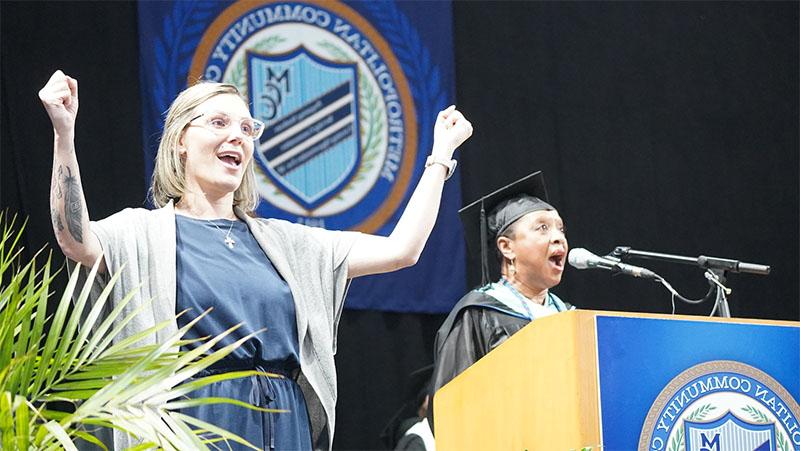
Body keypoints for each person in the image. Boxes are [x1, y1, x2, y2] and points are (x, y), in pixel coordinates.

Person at [39, 69, 472, 450]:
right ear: (181, 142)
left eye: (247, 128)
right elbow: (75, 238)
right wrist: (64, 132)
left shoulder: (285, 244)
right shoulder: (143, 233)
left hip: (284, 421)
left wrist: (440, 157)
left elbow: (402, 249)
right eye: (220, 123)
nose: (238, 137)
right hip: (197, 419)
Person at [428, 171, 574, 434]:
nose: (558, 237)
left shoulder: (571, 319)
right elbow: (451, 409)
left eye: (560, 228)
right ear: (507, 247)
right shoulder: (479, 314)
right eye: (542, 228)